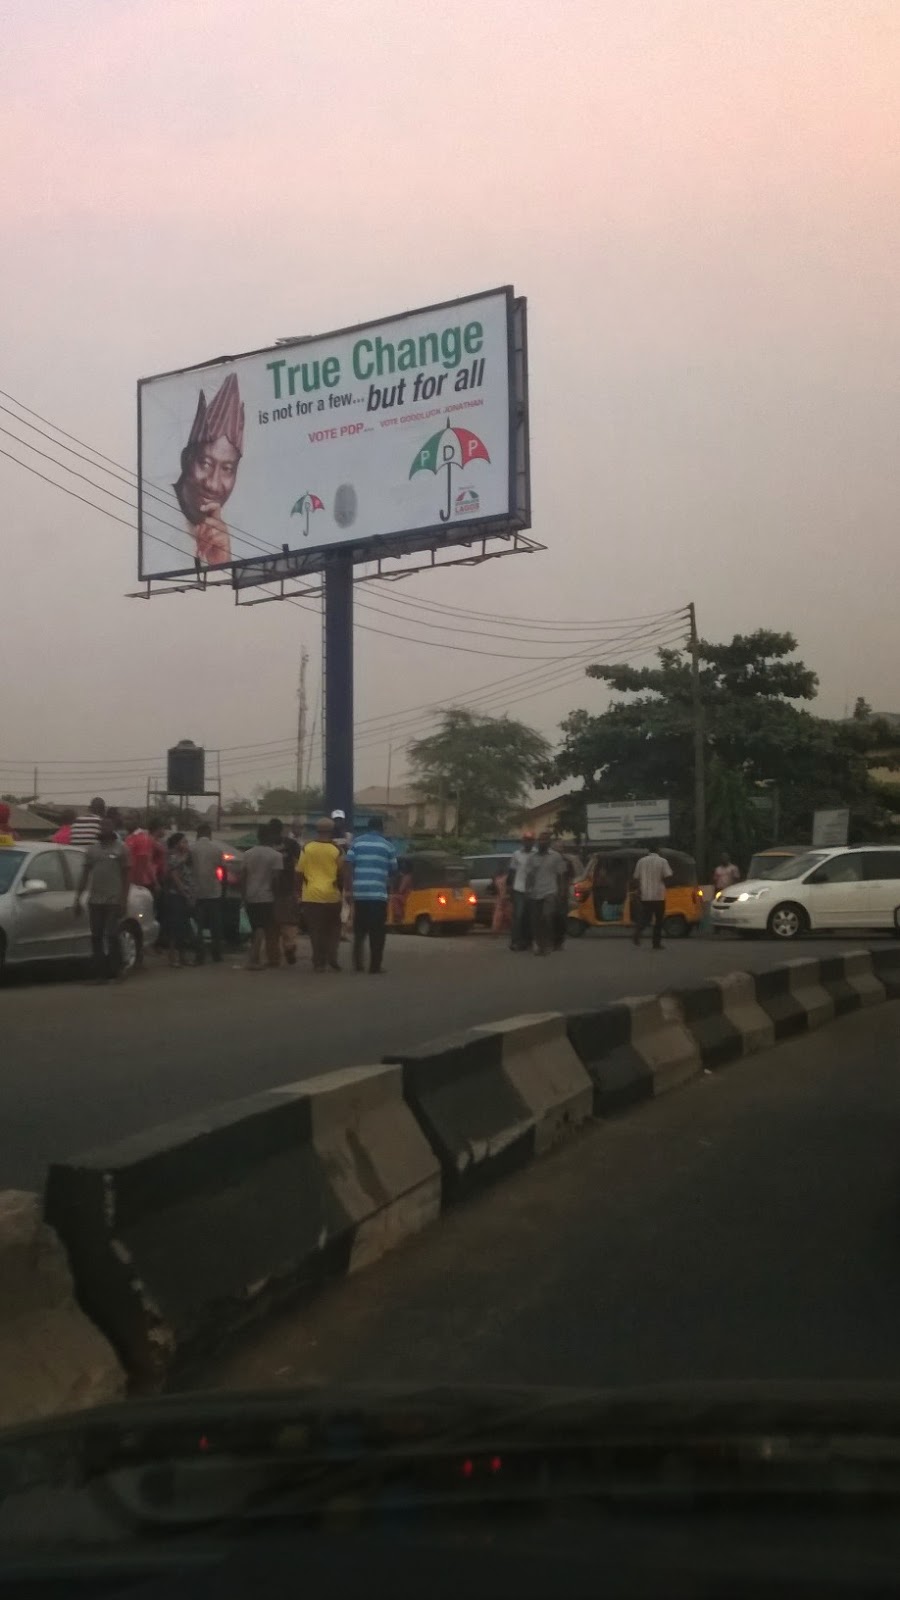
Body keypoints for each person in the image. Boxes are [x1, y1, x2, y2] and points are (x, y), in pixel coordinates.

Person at [173, 371, 244, 567]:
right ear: (187, 459)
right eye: (205, 464)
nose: (213, 484)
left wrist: (221, 564)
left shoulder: (231, 533)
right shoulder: (159, 514)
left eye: (228, 468)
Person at [72, 815, 129, 981]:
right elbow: (84, 874)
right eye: (102, 827)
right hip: (95, 900)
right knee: (96, 936)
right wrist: (78, 897)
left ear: (113, 829)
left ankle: (117, 969)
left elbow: (126, 876)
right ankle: (100, 973)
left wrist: (123, 899)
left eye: (107, 826)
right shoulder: (92, 850)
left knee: (111, 935)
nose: (104, 829)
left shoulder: (122, 849)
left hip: (113, 900)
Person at [345, 816, 398, 975]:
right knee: (377, 932)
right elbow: (394, 870)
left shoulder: (356, 843)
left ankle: (358, 963)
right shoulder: (388, 846)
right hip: (378, 895)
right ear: (381, 828)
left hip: (360, 893)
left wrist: (349, 889)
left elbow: (348, 865)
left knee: (359, 930)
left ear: (368, 828)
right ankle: (375, 966)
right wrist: (390, 888)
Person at [298, 818, 344, 973]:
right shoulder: (336, 849)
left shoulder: (307, 848)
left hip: (311, 895)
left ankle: (318, 962)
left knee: (315, 930)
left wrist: (299, 892)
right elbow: (341, 873)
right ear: (332, 831)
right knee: (333, 928)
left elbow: (299, 872)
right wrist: (341, 890)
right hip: (332, 895)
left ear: (317, 830)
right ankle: (332, 956)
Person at [240, 822, 283, 970]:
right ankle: (253, 960)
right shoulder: (276, 856)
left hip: (251, 895)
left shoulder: (247, 854)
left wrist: (243, 896)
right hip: (267, 896)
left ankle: (255, 957)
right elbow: (275, 879)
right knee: (261, 927)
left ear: (258, 837)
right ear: (271, 837)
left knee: (255, 927)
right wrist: (276, 897)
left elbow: (243, 877)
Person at [525, 832, 569, 956]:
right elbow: (529, 876)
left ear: (549, 842)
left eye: (545, 840)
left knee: (547, 916)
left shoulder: (556, 857)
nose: (542, 842)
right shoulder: (532, 858)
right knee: (537, 921)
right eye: (540, 840)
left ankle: (549, 944)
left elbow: (562, 875)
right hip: (535, 893)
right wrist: (527, 890)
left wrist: (562, 892)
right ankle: (540, 945)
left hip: (550, 892)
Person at [190, 823, 224, 964]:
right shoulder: (217, 849)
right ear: (209, 834)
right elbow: (222, 869)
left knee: (198, 925)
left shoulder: (191, 849)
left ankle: (200, 955)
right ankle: (216, 954)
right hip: (214, 891)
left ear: (198, 834)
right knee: (216, 924)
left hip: (196, 892)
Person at [268, 818, 301, 966]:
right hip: (288, 888)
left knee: (272, 925)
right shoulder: (292, 844)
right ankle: (290, 946)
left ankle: (274, 957)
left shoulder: (265, 845)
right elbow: (300, 865)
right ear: (282, 829)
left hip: (269, 890)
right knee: (289, 922)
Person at [163, 832, 199, 967]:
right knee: (175, 928)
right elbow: (175, 877)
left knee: (184, 928)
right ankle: (173, 958)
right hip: (176, 896)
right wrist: (184, 892)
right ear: (177, 843)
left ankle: (182, 957)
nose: (186, 845)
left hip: (187, 895)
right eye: (184, 842)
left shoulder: (187, 858)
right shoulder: (173, 857)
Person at [632, 841, 673, 950]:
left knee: (646, 918)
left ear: (648, 851)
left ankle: (638, 931)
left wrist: (639, 890)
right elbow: (668, 876)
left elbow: (636, 878)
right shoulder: (663, 861)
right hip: (659, 895)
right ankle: (656, 943)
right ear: (658, 850)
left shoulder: (641, 861)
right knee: (658, 920)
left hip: (645, 895)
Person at [507, 831, 536, 950]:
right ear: (523, 841)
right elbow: (512, 872)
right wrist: (510, 890)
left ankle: (528, 941)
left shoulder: (537, 854)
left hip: (533, 890)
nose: (527, 842)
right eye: (526, 840)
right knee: (518, 916)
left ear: (533, 841)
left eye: (530, 840)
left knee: (530, 917)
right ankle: (516, 941)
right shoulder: (516, 854)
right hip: (519, 888)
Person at [552, 847, 575, 950]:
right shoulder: (550, 861)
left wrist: (565, 889)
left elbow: (571, 877)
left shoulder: (567, 862)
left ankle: (559, 940)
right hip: (550, 893)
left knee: (561, 917)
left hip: (562, 894)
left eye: (560, 850)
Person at [125, 818, 157, 891]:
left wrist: (138, 885)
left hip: (141, 882)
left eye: (130, 818)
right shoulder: (129, 837)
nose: (126, 821)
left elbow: (143, 862)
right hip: (132, 880)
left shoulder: (142, 837)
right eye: (126, 818)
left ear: (137, 821)